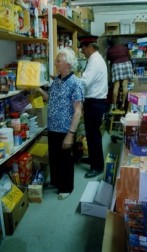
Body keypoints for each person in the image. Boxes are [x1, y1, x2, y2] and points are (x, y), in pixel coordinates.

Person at [37, 47, 84, 200]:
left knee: (65, 160)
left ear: (68, 64)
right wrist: (37, 89)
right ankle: (56, 182)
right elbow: (49, 98)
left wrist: (70, 134)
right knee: (55, 158)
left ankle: (66, 188)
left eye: (58, 61)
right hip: (52, 127)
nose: (55, 63)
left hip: (65, 129)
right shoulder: (57, 80)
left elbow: (78, 111)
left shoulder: (76, 83)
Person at [79, 35, 108, 178]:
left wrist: (70, 81)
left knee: (94, 136)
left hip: (95, 102)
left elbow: (84, 82)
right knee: (90, 135)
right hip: (95, 101)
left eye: (83, 49)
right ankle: (92, 158)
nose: (82, 52)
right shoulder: (95, 59)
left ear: (90, 47)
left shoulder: (94, 61)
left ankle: (97, 167)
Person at [107, 37, 133, 111]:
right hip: (127, 63)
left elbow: (109, 60)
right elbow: (129, 56)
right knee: (125, 86)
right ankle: (123, 104)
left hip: (116, 65)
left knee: (116, 86)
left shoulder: (109, 50)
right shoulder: (124, 47)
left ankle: (114, 105)